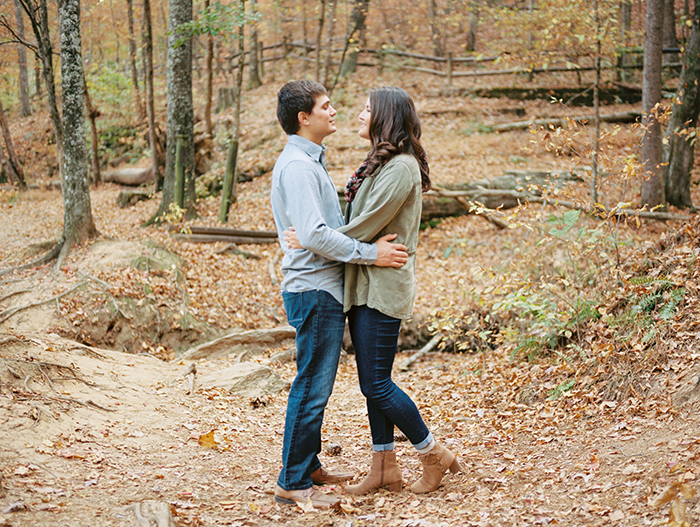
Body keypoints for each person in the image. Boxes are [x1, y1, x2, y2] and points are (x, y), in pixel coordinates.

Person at [285, 87, 461, 495]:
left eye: (368, 109)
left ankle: (433, 453)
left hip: (383, 284)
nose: (359, 114)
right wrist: (325, 238)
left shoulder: (401, 168)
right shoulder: (380, 164)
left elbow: (365, 224)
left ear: (385, 117)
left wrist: (314, 239)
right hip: (363, 281)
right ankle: (384, 467)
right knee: (372, 380)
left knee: (376, 384)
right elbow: (360, 220)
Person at [269, 80, 409, 510]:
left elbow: (311, 229)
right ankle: (292, 481)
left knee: (317, 384)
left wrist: (305, 236)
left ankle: (308, 465)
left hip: (322, 285)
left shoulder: (310, 161)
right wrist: (372, 254)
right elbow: (312, 233)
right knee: (312, 386)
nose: (336, 111)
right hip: (314, 289)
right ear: (303, 118)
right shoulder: (297, 165)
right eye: (325, 106)